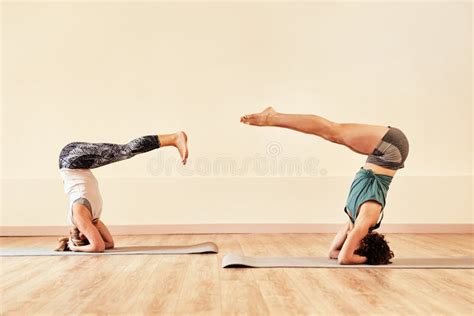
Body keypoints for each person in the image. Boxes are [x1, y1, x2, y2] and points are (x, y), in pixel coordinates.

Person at [241, 107, 409, 265]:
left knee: (332, 133)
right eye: (352, 245)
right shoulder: (366, 220)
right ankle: (272, 117)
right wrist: (368, 260)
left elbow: (334, 253)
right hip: (392, 149)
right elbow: (344, 258)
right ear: (362, 245)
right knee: (333, 131)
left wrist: (353, 250)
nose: (348, 243)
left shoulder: (353, 223)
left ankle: (273, 117)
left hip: (383, 156)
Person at [55, 132, 188, 252]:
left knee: (126, 151)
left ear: (83, 234)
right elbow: (109, 244)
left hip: (70, 159)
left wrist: (76, 249)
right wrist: (83, 245)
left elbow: (98, 247)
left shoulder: (79, 218)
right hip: (76, 163)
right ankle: (174, 138)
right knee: (126, 151)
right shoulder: (94, 219)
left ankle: (175, 138)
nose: (94, 235)